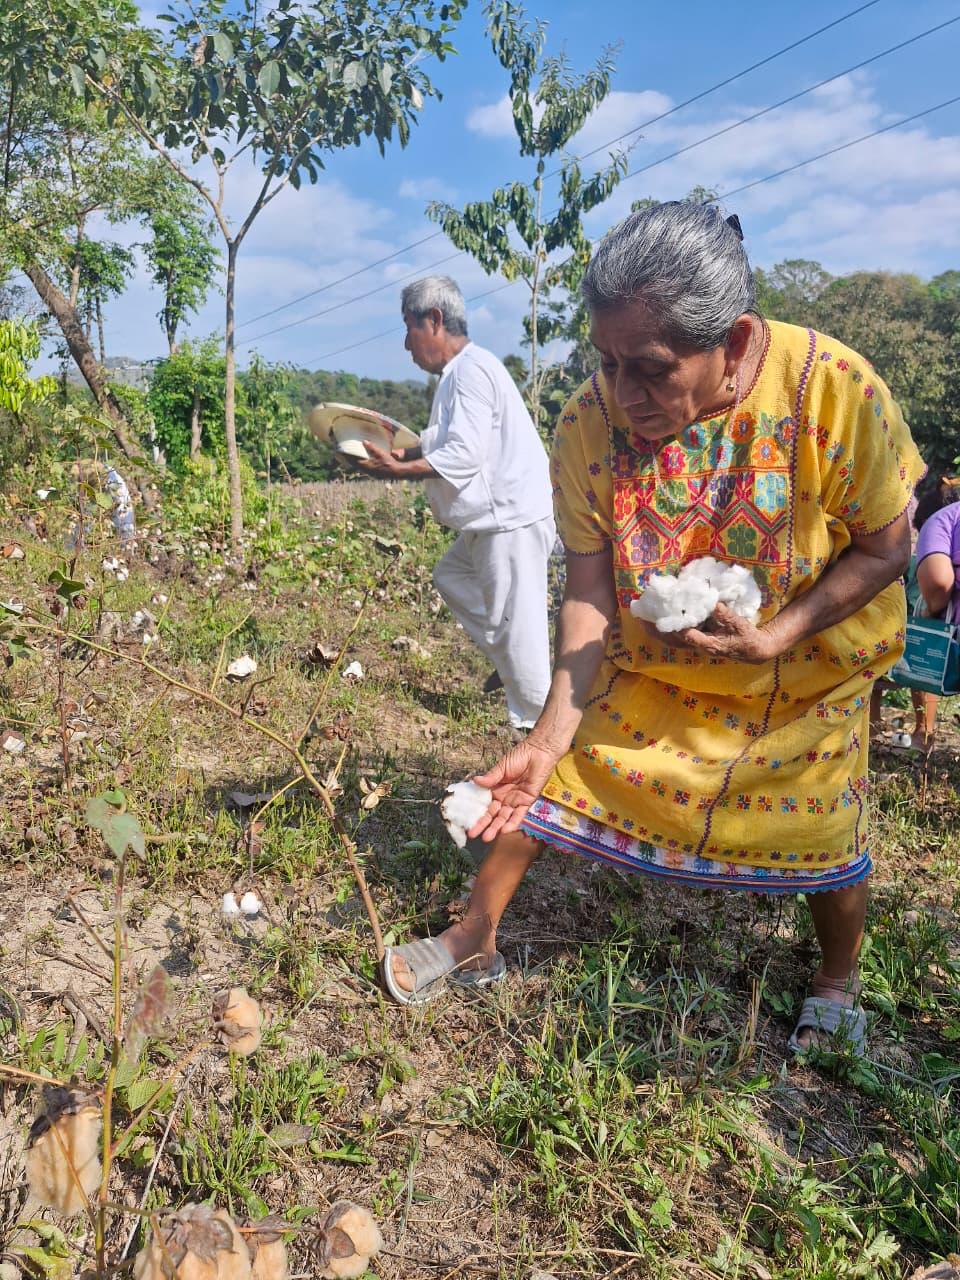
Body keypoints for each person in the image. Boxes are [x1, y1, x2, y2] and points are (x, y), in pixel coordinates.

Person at [381, 203, 925, 1058]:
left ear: (734, 343)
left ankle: (836, 979)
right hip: (655, 672)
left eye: (651, 370)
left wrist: (778, 636)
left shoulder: (832, 389)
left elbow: (889, 546)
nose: (624, 394)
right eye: (607, 362)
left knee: (823, 827)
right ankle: (474, 936)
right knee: (548, 779)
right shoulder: (587, 424)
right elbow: (590, 591)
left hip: (804, 677)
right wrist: (549, 735)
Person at [351, 275, 556, 731]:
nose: (406, 343)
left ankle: (541, 736)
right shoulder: (459, 374)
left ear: (434, 320)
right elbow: (439, 440)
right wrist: (396, 451)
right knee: (452, 576)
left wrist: (396, 471)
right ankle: (512, 663)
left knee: (520, 634)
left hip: (510, 519)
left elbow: (463, 453)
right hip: (497, 519)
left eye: (408, 328)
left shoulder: (471, 371)